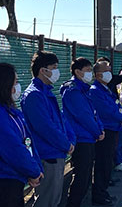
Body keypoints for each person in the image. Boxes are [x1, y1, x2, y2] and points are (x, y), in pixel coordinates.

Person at [21, 51, 76, 207]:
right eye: (54, 67)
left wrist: (71, 141)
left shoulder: (46, 93)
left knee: (54, 199)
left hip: (56, 152)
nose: (56, 71)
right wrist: (66, 144)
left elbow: (62, 121)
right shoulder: (34, 95)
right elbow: (45, 128)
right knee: (47, 200)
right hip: (48, 155)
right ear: (42, 70)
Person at [60, 58, 105, 207]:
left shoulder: (84, 89)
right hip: (81, 138)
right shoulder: (72, 90)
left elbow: (93, 113)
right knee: (81, 177)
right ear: (78, 72)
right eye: (87, 71)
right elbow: (83, 116)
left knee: (86, 177)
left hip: (89, 137)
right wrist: (97, 131)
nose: (90, 74)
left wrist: (99, 128)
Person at [0, 63, 44, 207]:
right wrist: (33, 170)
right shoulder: (2, 115)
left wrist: (35, 168)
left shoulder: (11, 111)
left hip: (16, 178)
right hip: (6, 182)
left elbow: (27, 141)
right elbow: (13, 149)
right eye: (15, 82)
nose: (17, 87)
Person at [90, 61, 122, 206]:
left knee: (107, 164)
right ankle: (99, 195)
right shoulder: (95, 90)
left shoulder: (106, 89)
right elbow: (106, 111)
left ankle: (103, 192)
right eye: (107, 70)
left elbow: (116, 104)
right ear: (98, 74)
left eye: (110, 70)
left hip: (113, 128)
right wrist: (121, 116)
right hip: (105, 130)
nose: (109, 73)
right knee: (102, 164)